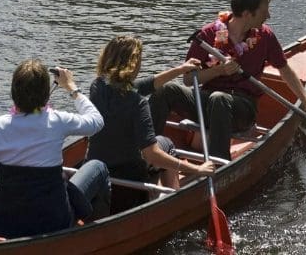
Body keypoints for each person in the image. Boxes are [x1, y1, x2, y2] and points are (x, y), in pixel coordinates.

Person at [149, 0, 306, 162]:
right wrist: (219, 70)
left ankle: (218, 165)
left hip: (243, 108)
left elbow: (286, 71)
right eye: (264, 11)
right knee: (166, 90)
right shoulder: (208, 35)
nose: (268, 16)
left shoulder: (265, 36)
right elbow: (188, 80)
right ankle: (147, 152)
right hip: (207, 100)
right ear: (248, 14)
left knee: (220, 99)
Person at [0, 60, 110, 239]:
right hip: (53, 222)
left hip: (4, 226)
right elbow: (97, 121)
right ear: (46, 95)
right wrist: (71, 87)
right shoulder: (57, 120)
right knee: (98, 167)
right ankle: (94, 237)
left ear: (13, 93)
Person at [85, 36, 216, 211]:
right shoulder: (137, 102)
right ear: (134, 63)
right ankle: (172, 202)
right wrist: (196, 169)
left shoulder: (97, 87)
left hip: (97, 168)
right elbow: (151, 155)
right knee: (166, 143)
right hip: (129, 175)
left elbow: (143, 85)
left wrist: (180, 70)